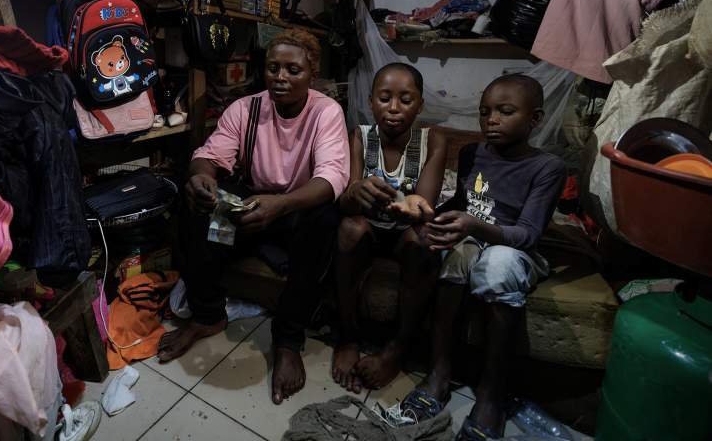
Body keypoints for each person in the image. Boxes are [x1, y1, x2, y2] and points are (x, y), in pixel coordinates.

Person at [158, 29, 350, 405]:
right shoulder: (246, 108)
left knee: (325, 219)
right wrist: (201, 177)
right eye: (273, 67)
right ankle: (209, 313)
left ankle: (289, 340)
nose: (280, 77)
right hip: (253, 212)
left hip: (294, 211)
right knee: (199, 207)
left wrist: (281, 205)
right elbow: (210, 154)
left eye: (293, 70)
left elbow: (332, 178)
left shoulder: (326, 112)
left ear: (312, 74)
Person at [396, 74, 566, 441]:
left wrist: (472, 226)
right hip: (473, 238)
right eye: (485, 112)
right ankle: (439, 373)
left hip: (512, 247)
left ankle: (491, 394)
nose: (491, 120)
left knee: (498, 266)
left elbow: (527, 234)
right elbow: (463, 204)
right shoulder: (474, 153)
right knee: (452, 256)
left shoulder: (546, 168)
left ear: (535, 119)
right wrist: (431, 217)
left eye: (505, 112)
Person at [331, 63, 448, 393]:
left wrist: (411, 205)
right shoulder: (359, 136)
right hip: (368, 229)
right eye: (384, 98)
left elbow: (424, 205)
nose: (394, 108)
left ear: (420, 105)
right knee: (348, 229)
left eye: (406, 100)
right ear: (371, 102)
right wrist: (355, 192)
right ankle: (348, 336)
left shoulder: (433, 139)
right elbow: (348, 202)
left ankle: (397, 348)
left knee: (425, 242)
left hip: (403, 233)